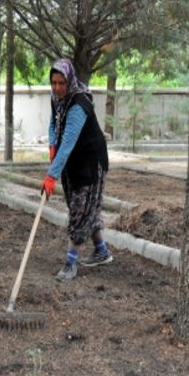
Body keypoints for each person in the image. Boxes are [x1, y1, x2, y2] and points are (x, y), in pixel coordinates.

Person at [41, 58, 112, 282]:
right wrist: (52, 145)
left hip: (90, 162)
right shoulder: (57, 98)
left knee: (80, 210)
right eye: (53, 82)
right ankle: (102, 250)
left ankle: (70, 263)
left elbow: (69, 141)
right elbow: (53, 124)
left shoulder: (80, 104)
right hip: (72, 161)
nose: (57, 88)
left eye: (61, 83)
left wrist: (51, 175)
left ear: (69, 80)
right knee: (80, 206)